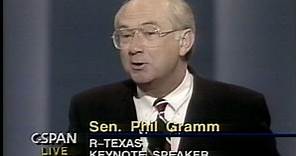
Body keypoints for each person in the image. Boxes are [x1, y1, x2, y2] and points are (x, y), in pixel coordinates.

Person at [67, 0, 280, 155]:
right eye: (125, 35)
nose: (134, 48)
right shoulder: (91, 108)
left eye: (150, 33)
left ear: (184, 41)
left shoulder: (240, 108)